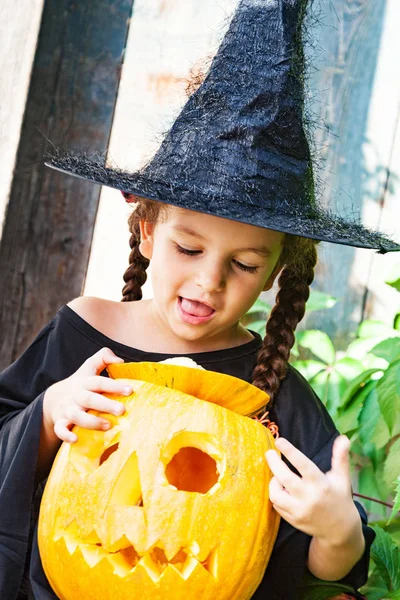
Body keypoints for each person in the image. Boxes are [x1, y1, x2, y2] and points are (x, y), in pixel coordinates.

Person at [1, 0, 399, 599]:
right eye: (189, 248)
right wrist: (51, 414)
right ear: (146, 231)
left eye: (243, 264)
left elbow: (322, 566)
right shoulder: (82, 333)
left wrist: (339, 530)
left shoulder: (277, 392)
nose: (210, 283)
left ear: (273, 275)